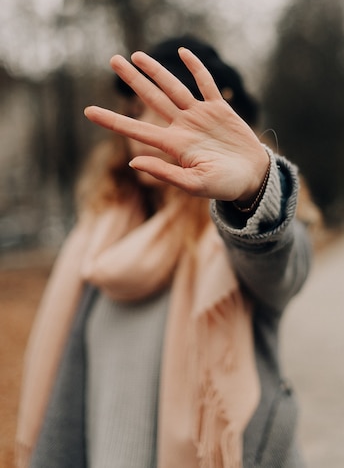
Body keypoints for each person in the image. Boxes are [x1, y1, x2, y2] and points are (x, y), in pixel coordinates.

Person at [16, 36, 312, 468]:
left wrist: (253, 190)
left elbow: (284, 265)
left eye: (154, 99)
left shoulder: (240, 229)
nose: (137, 113)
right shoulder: (100, 236)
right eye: (132, 105)